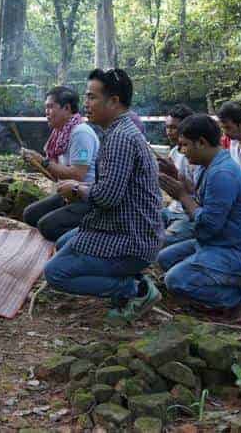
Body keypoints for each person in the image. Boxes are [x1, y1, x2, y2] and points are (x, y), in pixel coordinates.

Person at [44, 68, 164, 323]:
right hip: (123, 228)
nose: (86, 104)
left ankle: (135, 290)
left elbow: (107, 197)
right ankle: (128, 279)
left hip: (131, 237)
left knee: (56, 273)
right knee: (64, 242)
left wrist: (76, 189)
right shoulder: (120, 132)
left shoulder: (121, 138)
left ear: (114, 101)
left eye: (92, 97)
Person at [156, 115, 241, 322]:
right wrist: (177, 176)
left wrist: (182, 196)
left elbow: (208, 225)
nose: (182, 151)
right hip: (220, 243)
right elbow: (201, 202)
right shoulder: (209, 167)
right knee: (165, 258)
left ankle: (238, 297)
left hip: (238, 251)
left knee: (176, 280)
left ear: (202, 143)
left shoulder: (222, 173)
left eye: (185, 145)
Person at [21, 87, 100, 241]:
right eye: (46, 107)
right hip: (68, 194)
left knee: (47, 226)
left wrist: (43, 161)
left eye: (51, 107)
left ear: (67, 108)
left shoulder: (80, 133)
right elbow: (57, 175)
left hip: (87, 197)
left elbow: (78, 174)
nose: (47, 112)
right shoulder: (60, 134)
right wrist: (37, 163)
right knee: (30, 215)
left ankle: (97, 232)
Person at [156, 105, 199, 246]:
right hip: (171, 210)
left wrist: (175, 174)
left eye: (174, 127)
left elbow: (197, 194)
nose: (169, 132)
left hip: (187, 216)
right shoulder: (174, 152)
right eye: (167, 127)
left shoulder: (198, 156)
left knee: (158, 243)